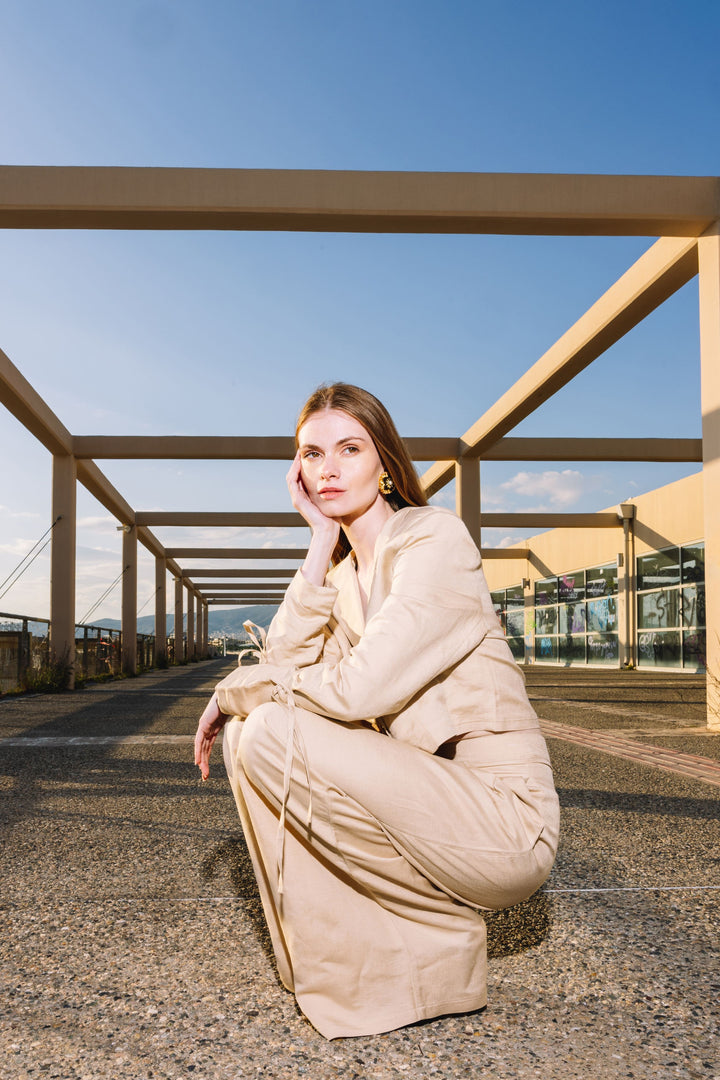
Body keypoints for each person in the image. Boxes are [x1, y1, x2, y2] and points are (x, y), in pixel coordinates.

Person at [194, 383, 559, 1041]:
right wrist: (316, 545)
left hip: (503, 819)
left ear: (384, 462)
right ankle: (371, 963)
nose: (328, 468)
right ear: (297, 473)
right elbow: (283, 661)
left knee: (268, 724)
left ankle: (438, 941)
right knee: (251, 735)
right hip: (422, 799)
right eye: (311, 454)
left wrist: (229, 694)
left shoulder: (434, 540)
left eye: (349, 448)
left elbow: (359, 690)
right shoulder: (339, 580)